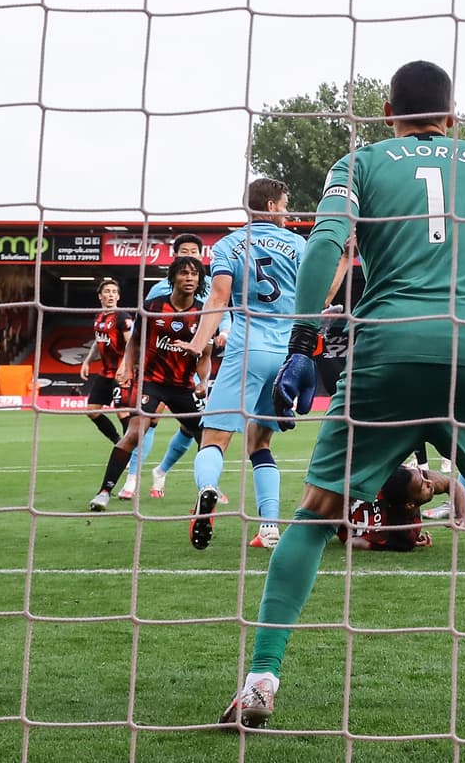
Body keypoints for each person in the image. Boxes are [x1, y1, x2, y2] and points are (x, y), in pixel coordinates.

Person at [218, 60, 465, 729]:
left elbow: (324, 245)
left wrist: (303, 343)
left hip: (388, 348)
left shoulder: (362, 162)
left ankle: (260, 681)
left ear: (386, 110)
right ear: (453, 114)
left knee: (317, 514)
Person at [173, 178, 305, 550]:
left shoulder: (230, 244)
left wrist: (199, 344)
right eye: (286, 202)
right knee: (260, 442)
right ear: (274, 206)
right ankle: (268, 528)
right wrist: (344, 260)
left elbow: (218, 297)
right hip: (285, 356)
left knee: (214, 438)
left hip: (246, 350)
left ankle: (209, 489)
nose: (289, 209)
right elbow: (320, 295)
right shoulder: (298, 244)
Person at [89, 256, 211, 510]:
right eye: (183, 273)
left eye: (194, 275)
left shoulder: (203, 312)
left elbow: (205, 354)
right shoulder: (152, 306)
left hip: (182, 385)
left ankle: (208, 490)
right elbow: (134, 341)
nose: (189, 278)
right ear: (173, 277)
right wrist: (128, 368)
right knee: (135, 433)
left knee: (206, 437)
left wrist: (204, 380)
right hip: (150, 382)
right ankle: (104, 491)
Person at [337, 464, 465, 551]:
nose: (429, 482)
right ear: (409, 504)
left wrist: (464, 515)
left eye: (422, 475)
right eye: (423, 485)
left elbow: (451, 483)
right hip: (333, 512)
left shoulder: (404, 478)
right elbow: (352, 542)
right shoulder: (402, 535)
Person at [79, 278, 134, 466]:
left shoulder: (122, 317)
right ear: (100, 296)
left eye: (113, 292)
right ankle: (119, 442)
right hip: (105, 372)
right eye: (107, 291)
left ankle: (131, 453)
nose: (110, 295)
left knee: (122, 413)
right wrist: (87, 360)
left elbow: (131, 343)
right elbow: (98, 341)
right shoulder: (99, 318)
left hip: (121, 373)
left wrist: (123, 366)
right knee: (91, 411)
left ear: (118, 296)